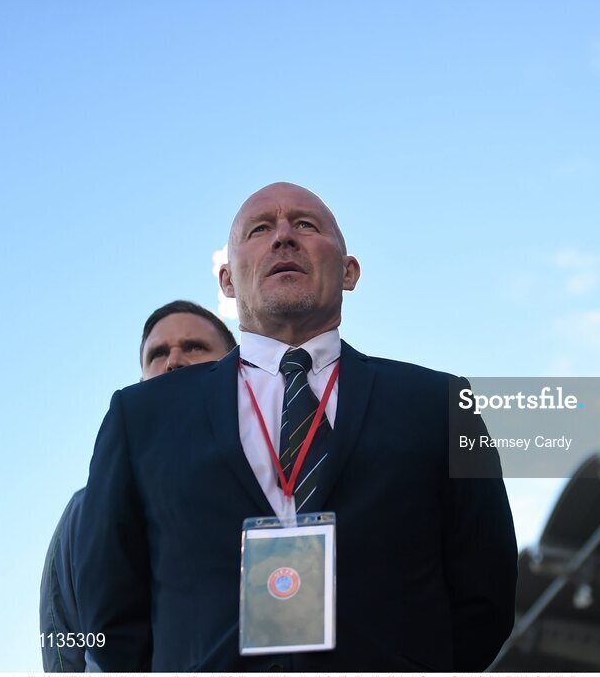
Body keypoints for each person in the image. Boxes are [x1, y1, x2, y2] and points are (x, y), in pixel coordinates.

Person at [75, 183, 518, 671]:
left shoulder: (442, 404)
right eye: (259, 229)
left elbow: (487, 592)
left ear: (349, 271)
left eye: (306, 225)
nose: (283, 237)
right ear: (227, 280)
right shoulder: (140, 418)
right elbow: (110, 608)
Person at [40, 300, 237, 672]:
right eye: (157, 354)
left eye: (195, 347)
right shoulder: (84, 511)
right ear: (142, 380)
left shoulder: (267, 479)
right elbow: (62, 634)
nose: (174, 361)